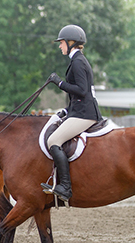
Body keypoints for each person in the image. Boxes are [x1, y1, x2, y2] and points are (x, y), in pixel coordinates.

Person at [41, 24, 102, 202]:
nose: (60, 46)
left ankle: (65, 187)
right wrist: (66, 110)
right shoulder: (78, 60)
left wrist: (59, 83)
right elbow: (81, 95)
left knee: (53, 140)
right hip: (80, 110)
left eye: (61, 43)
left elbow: (82, 90)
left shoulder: (77, 62)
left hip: (85, 114)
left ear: (71, 42)